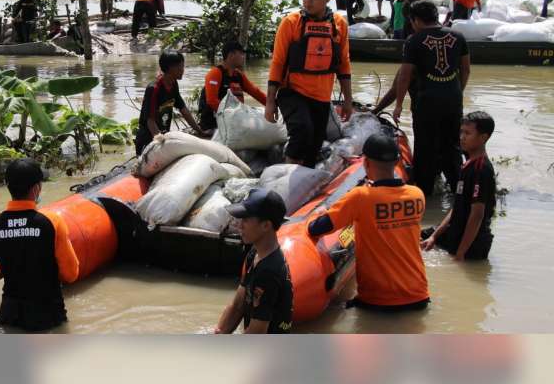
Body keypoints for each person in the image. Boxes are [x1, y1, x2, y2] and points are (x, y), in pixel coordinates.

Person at [307, 132, 430, 312]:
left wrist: (319, 212)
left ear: (365, 163)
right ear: (397, 163)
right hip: (419, 296)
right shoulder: (417, 195)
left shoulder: (361, 197)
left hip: (379, 302)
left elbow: (317, 228)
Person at [0, 158, 79, 331]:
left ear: (7, 186)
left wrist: (2, 269)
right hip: (48, 314)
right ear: (36, 188)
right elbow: (70, 274)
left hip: (9, 315)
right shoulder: (52, 222)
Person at [265, 0, 353, 167]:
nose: (308, 0)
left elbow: (344, 64)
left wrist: (348, 100)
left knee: (314, 147)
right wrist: (270, 102)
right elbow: (277, 63)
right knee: (301, 134)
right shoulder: (291, 23)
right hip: (292, 92)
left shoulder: (339, 25)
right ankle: (286, 184)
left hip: (321, 98)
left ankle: (306, 182)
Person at [393, 0, 471, 196]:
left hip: (426, 102)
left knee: (425, 147)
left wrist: (399, 104)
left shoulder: (413, 40)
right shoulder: (458, 36)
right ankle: (458, 191)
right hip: (453, 100)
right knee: (452, 145)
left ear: (415, 20)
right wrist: (456, 91)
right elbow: (466, 69)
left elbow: (405, 75)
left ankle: (424, 196)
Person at [214, 188, 292, 334]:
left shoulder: (269, 272)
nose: (239, 225)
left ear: (266, 226)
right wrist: (219, 333)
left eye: (246, 220)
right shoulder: (255, 253)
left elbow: (257, 332)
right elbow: (237, 306)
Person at [421, 111, 496, 260]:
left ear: (483, 137)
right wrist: (434, 236)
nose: (462, 137)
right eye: (461, 132)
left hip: (472, 244)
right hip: (456, 231)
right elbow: (458, 206)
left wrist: (461, 253)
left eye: (468, 133)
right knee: (419, 236)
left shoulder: (481, 169)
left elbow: (477, 215)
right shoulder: (468, 164)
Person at [134, 50, 208, 155]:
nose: (183, 70)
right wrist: (160, 142)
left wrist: (199, 131)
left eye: (183, 67)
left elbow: (184, 110)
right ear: (170, 68)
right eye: (180, 67)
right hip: (148, 139)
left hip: (164, 134)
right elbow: (150, 121)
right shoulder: (154, 88)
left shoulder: (173, 84)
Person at [197, 40, 266, 131]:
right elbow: (212, 101)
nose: (243, 57)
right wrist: (233, 118)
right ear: (231, 55)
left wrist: (273, 105)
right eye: (241, 54)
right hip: (213, 125)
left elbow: (255, 92)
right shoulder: (215, 73)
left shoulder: (238, 75)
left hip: (233, 123)